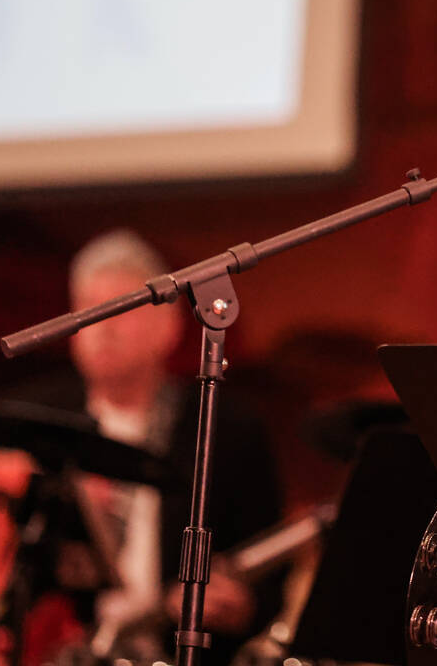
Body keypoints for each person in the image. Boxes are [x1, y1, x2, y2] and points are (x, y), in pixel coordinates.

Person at [34, 229, 285, 664]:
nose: (101, 326)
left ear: (168, 328)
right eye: (88, 307)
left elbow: (269, 581)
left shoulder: (224, 427)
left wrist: (240, 603)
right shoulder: (34, 420)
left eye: (121, 309)